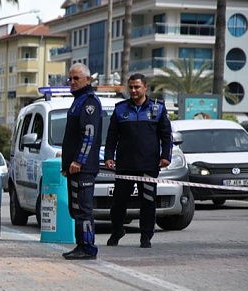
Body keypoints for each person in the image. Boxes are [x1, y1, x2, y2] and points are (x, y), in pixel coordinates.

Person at [104, 73, 172, 249]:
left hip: (149, 165)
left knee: (148, 202)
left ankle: (145, 236)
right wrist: (109, 156)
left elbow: (166, 136)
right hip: (125, 165)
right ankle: (117, 231)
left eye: (137, 87)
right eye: (131, 87)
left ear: (145, 87)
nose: (133, 90)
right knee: (118, 202)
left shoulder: (158, 109)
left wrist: (166, 156)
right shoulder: (120, 109)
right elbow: (111, 136)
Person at [60, 63, 103, 260]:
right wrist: (66, 164)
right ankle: (80, 245)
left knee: (83, 210)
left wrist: (78, 161)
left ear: (88, 79)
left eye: (76, 78)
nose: (73, 82)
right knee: (75, 208)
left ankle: (87, 247)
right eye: (70, 78)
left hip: (83, 168)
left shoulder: (89, 103)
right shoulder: (78, 101)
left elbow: (89, 135)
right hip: (74, 168)